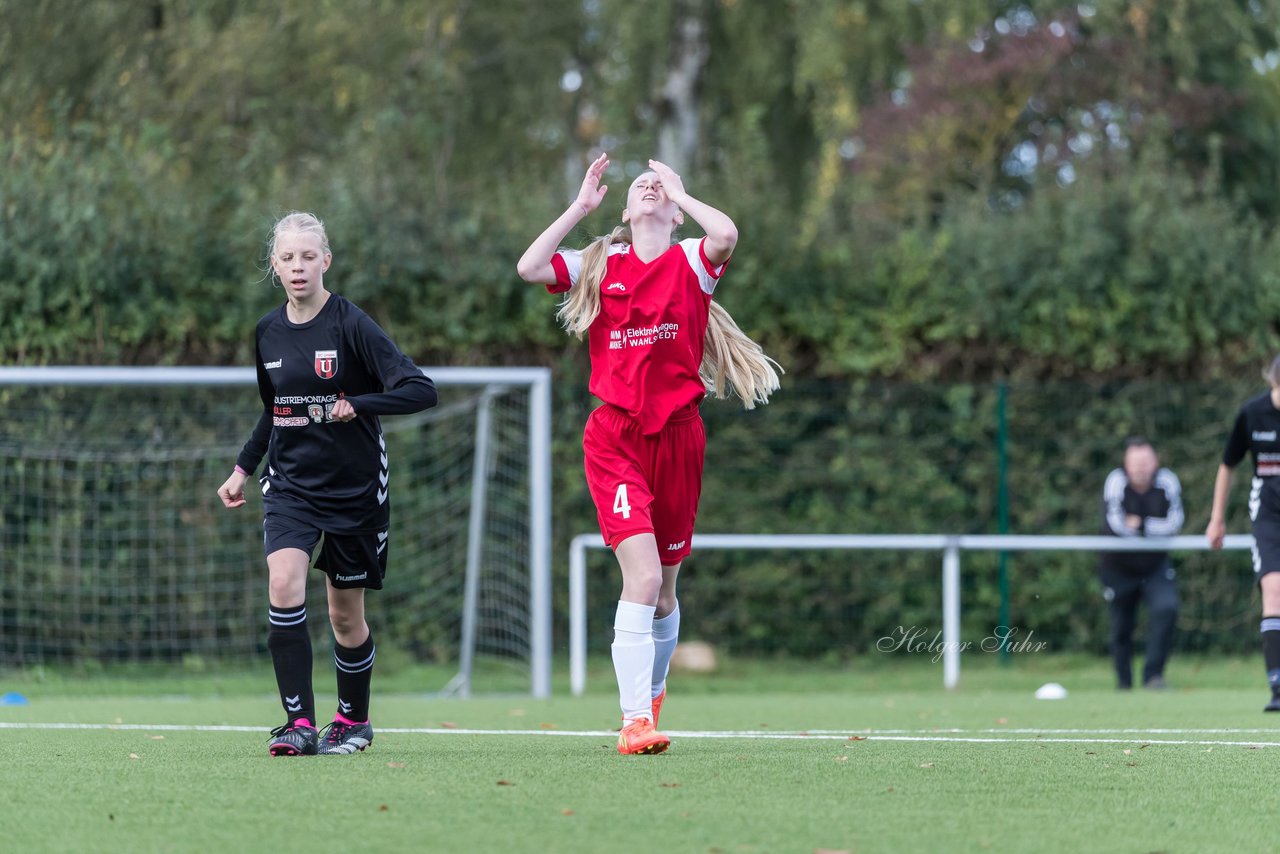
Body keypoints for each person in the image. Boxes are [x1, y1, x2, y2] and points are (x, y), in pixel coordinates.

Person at [516, 153, 780, 755]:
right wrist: (580, 208)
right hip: (615, 437)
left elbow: (727, 234)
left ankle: (652, 696)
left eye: (661, 187)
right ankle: (635, 720)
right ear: (627, 208)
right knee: (642, 575)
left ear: (675, 211)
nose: (652, 189)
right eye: (643, 186)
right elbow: (530, 266)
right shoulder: (600, 263)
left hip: (680, 436)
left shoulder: (692, 260)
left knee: (664, 591)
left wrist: (683, 194)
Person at [218, 211, 437, 756]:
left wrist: (356, 404)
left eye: (308, 257)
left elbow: (420, 389)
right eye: (288, 258)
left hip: (355, 490)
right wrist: (243, 467)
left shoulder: (352, 325)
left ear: (326, 262)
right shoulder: (267, 331)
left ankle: (353, 720)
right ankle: (298, 724)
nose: (298, 267)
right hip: (290, 487)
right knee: (284, 583)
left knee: (345, 616)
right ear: (275, 265)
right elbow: (276, 410)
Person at [1208, 353, 1280, 711]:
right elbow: (1227, 465)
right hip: (1268, 514)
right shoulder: (1252, 413)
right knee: (1274, 588)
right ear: (1274, 382)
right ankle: (1277, 687)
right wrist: (1216, 518)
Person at [1097, 437, 1184, 691]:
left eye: (1145, 462)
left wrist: (1142, 524)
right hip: (1118, 567)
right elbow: (1117, 524)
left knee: (1166, 608)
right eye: (1135, 463)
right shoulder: (1116, 481)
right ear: (1126, 463)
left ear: (1155, 461)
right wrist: (1147, 526)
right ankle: (1123, 683)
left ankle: (1153, 676)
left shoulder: (1167, 481)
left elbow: (1174, 523)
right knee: (1121, 626)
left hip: (1155, 566)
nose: (1140, 468)